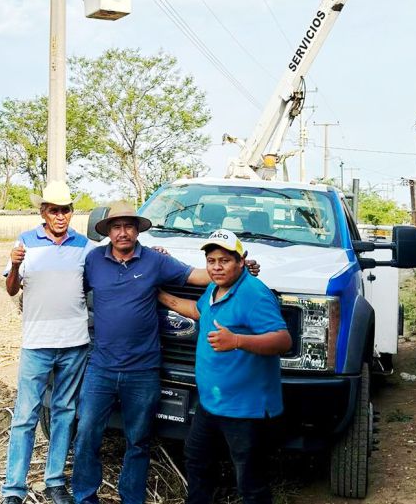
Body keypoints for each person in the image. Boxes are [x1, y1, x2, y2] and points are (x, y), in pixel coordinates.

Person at [71, 202, 260, 504]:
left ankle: (132, 498)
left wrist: (239, 269)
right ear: (107, 231)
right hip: (101, 368)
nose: (123, 232)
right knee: (86, 436)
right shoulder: (93, 260)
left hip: (143, 370)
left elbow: (199, 276)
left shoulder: (154, 261)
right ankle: (84, 497)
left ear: (137, 230)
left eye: (129, 226)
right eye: (117, 227)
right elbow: (71, 292)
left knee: (138, 441)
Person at [158, 229, 292, 504]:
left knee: (249, 479)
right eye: (211, 260)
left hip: (245, 407)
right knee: (196, 459)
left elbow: (283, 340)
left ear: (241, 261)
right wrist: (161, 295)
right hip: (212, 402)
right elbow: (198, 311)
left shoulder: (254, 294)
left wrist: (237, 340)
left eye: (224, 260)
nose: (217, 267)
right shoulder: (215, 288)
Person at [1, 181, 94, 504]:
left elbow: (108, 274)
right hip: (37, 343)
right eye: (53, 210)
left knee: (64, 412)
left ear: (71, 213)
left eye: (65, 210)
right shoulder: (25, 242)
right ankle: (14, 488)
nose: (60, 216)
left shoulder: (85, 246)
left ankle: (54, 481)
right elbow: (12, 290)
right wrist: (14, 265)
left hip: (74, 344)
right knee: (26, 415)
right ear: (43, 212)